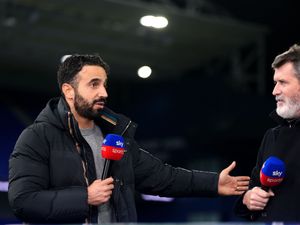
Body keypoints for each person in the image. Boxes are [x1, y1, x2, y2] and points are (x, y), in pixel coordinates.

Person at [8, 54, 250, 223]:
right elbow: (23, 201)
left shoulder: (116, 136)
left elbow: (163, 177)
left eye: (104, 84)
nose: (104, 92)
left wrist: (213, 183)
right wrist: (85, 197)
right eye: (94, 84)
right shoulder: (37, 137)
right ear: (68, 91)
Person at [234, 44, 300, 221]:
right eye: (275, 83)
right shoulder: (272, 136)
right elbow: (254, 188)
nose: (274, 91)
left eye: (283, 82)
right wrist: (249, 198)